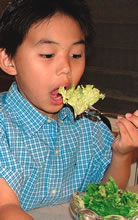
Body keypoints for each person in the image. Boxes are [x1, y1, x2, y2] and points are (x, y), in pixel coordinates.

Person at [0, 0, 137, 219]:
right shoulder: (3, 126)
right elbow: (5, 208)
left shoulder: (88, 123)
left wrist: (121, 154)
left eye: (76, 55)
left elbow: (106, 196)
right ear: (9, 61)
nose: (66, 68)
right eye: (47, 54)